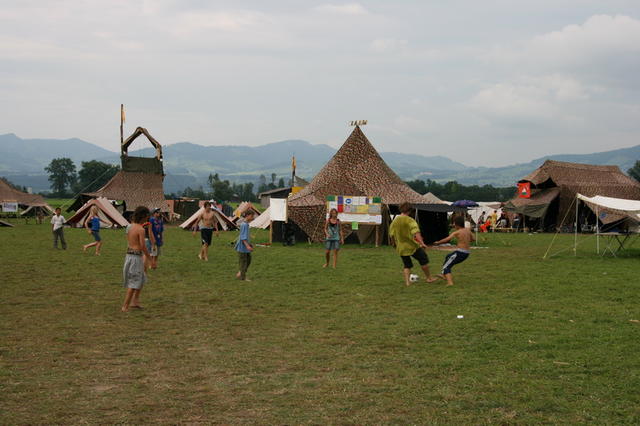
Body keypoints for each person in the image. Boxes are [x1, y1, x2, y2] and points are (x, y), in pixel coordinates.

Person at [389, 202, 437, 286]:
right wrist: (422, 243)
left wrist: (394, 244)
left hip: (401, 247)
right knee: (423, 261)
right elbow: (416, 233)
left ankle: (408, 282)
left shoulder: (395, 220)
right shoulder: (410, 220)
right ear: (410, 210)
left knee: (407, 265)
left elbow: (391, 234)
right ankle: (429, 278)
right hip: (412, 246)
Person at [122, 206, 151, 312]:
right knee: (134, 282)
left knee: (141, 279)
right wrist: (150, 258)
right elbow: (143, 246)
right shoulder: (141, 229)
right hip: (135, 257)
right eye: (147, 216)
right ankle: (125, 306)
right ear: (143, 216)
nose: (148, 218)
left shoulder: (129, 227)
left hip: (129, 256)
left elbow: (130, 241)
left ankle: (135, 302)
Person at [433, 215, 474, 286]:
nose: (454, 225)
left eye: (454, 224)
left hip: (460, 252)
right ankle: (443, 274)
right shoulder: (468, 230)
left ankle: (450, 282)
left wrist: (438, 242)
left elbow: (447, 239)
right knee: (448, 256)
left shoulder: (457, 232)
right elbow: (473, 239)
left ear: (457, 224)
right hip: (466, 253)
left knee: (446, 266)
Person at [235, 210, 255, 281]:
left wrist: (249, 243)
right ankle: (243, 277)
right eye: (252, 216)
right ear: (247, 216)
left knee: (248, 259)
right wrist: (248, 246)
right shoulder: (244, 225)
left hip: (245, 246)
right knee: (243, 262)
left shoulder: (246, 224)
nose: (253, 217)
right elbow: (243, 238)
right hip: (242, 247)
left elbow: (245, 235)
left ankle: (241, 272)